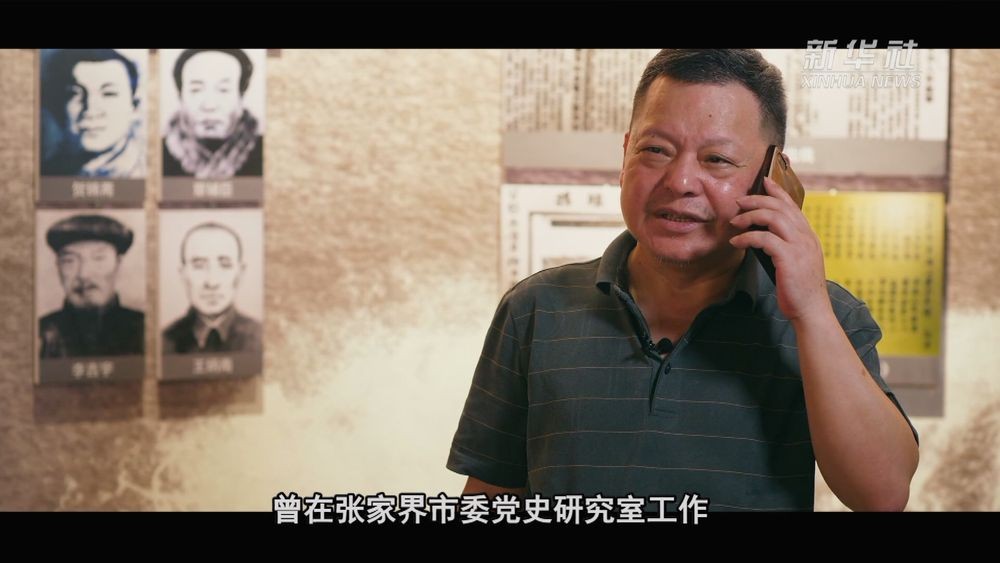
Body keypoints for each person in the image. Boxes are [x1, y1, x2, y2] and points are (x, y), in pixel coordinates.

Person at [447, 49, 919, 511]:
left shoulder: (828, 317)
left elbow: (882, 496)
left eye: (717, 159)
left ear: (772, 178)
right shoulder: (536, 307)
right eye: (656, 150)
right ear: (625, 154)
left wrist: (810, 311)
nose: (680, 181)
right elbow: (491, 496)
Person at [39, 214, 144, 357]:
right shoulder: (39, 333)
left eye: (98, 259)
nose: (83, 274)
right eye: (69, 261)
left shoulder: (145, 329)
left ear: (118, 264)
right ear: (58, 267)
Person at [40, 49, 145, 178]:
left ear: (134, 107)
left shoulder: (143, 170)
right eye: (75, 93)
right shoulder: (50, 170)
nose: (90, 110)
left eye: (108, 93)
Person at [162, 49, 263, 179]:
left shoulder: (262, 153)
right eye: (196, 90)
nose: (209, 106)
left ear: (241, 96)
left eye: (223, 90)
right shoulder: (161, 154)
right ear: (180, 96)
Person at [162, 222, 261, 354]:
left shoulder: (261, 338)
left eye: (225, 265)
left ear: (240, 273)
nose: (211, 282)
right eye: (199, 266)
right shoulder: (164, 342)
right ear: (183, 274)